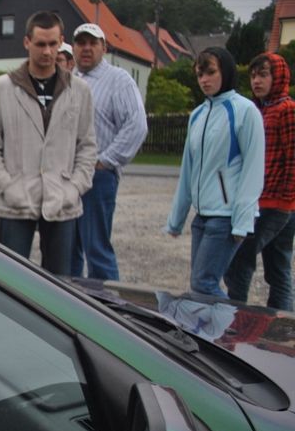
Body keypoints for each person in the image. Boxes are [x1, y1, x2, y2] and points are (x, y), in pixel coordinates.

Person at [0, 11, 97, 275]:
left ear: (61, 42)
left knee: (59, 283)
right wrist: (6, 186)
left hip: (62, 199)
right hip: (16, 200)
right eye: (41, 44)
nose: (47, 51)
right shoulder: (1, 89)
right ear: (27, 42)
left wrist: (75, 187)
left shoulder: (79, 91)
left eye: (53, 44)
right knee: (9, 279)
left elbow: (87, 146)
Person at [165, 48, 265, 298]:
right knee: (200, 286)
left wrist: (242, 223)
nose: (204, 80)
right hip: (202, 216)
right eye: (200, 74)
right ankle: (218, 324)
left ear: (226, 72)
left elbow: (253, 170)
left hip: (226, 217)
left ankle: (234, 323)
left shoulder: (245, 111)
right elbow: (188, 171)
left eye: (210, 72)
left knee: (203, 284)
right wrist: (176, 219)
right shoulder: (197, 115)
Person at [70, 23, 148, 281]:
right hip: (68, 176)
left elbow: (136, 125)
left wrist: (106, 161)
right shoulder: (69, 80)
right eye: (81, 43)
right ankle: (70, 301)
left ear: (104, 47)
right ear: (73, 48)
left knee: (96, 249)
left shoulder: (118, 79)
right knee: (69, 249)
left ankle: (107, 303)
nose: (86, 48)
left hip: (98, 176)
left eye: (93, 43)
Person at [224, 53, 295, 311]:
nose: (256, 81)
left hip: (275, 202)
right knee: (278, 267)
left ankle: (236, 316)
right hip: (265, 199)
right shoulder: (259, 110)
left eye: (263, 75)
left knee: (239, 258)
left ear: (278, 77)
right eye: (253, 76)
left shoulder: (287, 110)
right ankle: (283, 323)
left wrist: (286, 197)